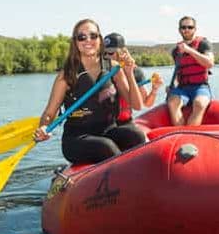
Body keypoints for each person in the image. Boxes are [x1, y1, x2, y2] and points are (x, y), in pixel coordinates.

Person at [33, 19, 146, 164]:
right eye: (82, 37)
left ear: (100, 39)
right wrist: (43, 126)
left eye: (93, 36)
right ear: (75, 42)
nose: (88, 40)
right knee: (106, 147)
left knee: (136, 135)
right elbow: (49, 113)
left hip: (108, 131)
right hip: (77, 138)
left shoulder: (114, 68)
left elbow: (136, 105)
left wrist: (129, 74)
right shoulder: (67, 76)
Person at [103, 32, 164, 126]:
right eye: (104, 53)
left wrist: (154, 90)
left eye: (111, 53)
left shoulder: (135, 72)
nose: (107, 56)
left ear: (123, 52)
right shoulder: (100, 71)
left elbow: (146, 103)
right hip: (105, 123)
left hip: (124, 123)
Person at [167, 16, 215, 126]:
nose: (187, 30)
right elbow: (179, 72)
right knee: (172, 102)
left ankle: (190, 134)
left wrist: (190, 50)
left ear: (195, 29)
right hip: (182, 88)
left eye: (190, 27)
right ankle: (181, 134)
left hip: (200, 87)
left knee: (199, 103)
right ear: (179, 30)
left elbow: (210, 63)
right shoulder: (176, 51)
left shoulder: (204, 44)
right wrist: (171, 87)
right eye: (183, 27)